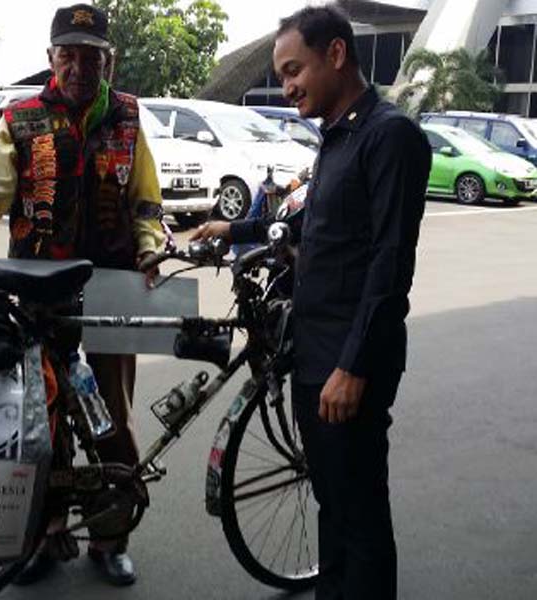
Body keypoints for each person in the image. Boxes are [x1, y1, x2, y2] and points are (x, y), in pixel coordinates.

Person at [0, 3, 164, 587]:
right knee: (42, 421)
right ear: (50, 59)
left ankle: (110, 535)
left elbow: (145, 200)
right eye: (67, 55)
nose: (78, 67)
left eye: (90, 57)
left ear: (108, 61)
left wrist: (149, 243)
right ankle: (46, 534)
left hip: (115, 290)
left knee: (112, 417)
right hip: (38, 295)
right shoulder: (18, 119)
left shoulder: (127, 116)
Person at [192, 5, 430, 599]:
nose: (287, 85)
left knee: (360, 516)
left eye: (295, 69)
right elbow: (308, 227)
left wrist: (352, 368)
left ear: (337, 55)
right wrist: (233, 232)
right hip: (311, 352)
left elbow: (389, 265)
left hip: (349, 362)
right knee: (331, 504)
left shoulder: (388, 135)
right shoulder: (337, 136)